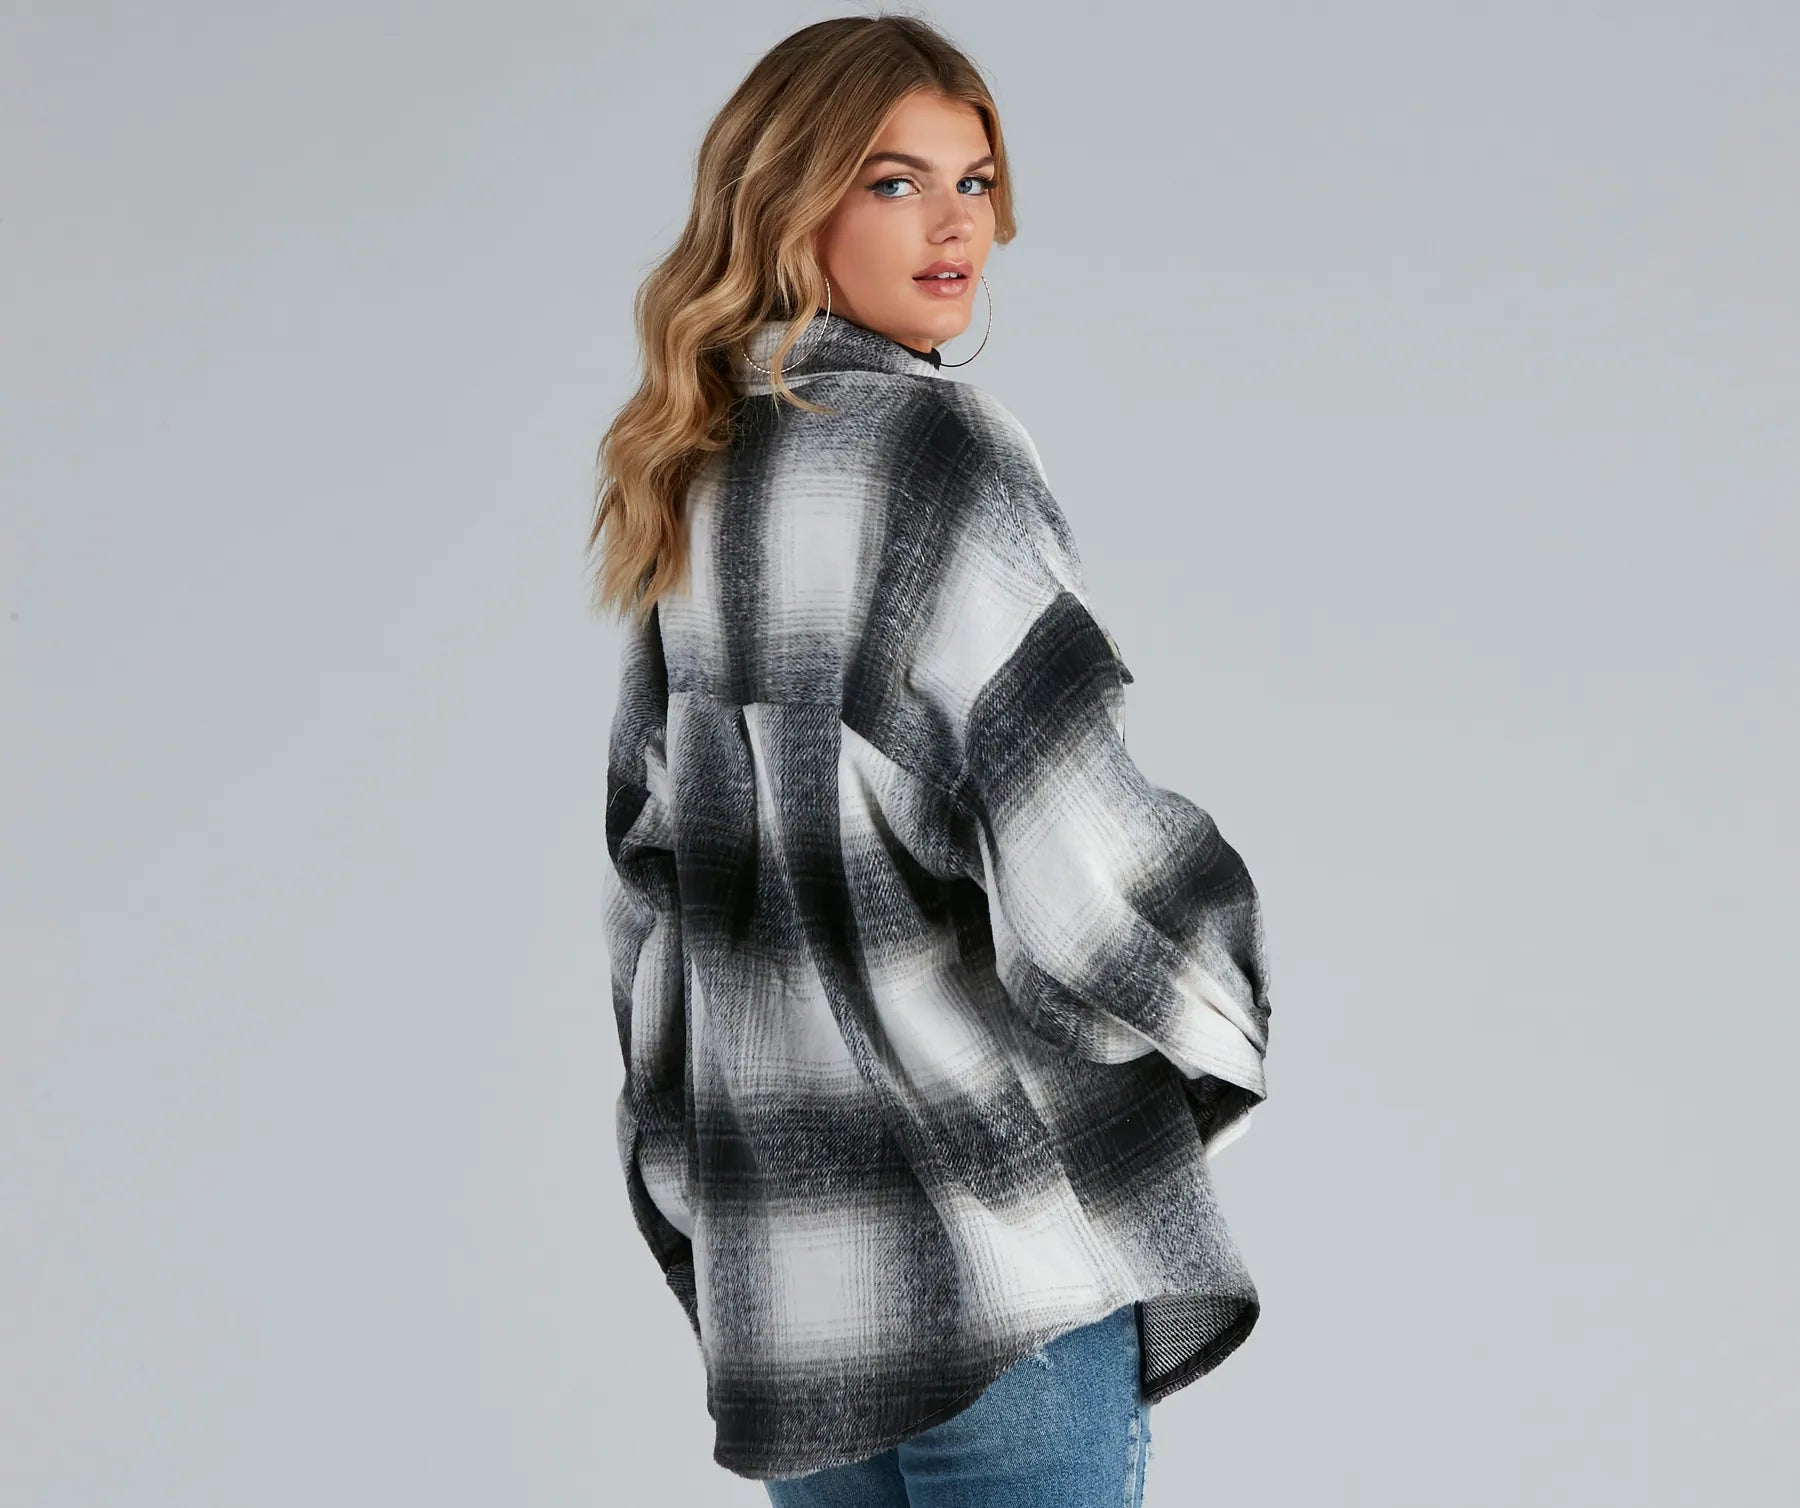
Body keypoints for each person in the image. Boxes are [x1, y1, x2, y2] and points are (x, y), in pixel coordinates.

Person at [589, 16, 1274, 1504]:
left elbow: (652, 910)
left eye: (974, 182)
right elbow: (1076, 857)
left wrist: (707, 1194)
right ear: (787, 201)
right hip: (995, 1253)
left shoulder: (693, 473)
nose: (955, 224)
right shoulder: (936, 451)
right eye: (894, 182)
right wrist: (1222, 974)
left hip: (802, 1292)